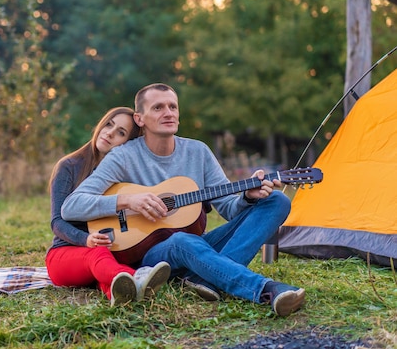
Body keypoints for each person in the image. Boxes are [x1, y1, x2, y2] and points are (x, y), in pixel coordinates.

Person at [61, 83, 305, 316]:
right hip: (153, 258)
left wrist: (247, 198)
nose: (168, 113)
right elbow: (71, 206)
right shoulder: (122, 157)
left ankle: (203, 278)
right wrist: (127, 201)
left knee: (277, 201)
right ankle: (266, 290)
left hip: (196, 248)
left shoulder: (198, 152)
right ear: (140, 119)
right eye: (158, 108)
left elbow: (230, 209)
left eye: (173, 107)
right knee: (182, 240)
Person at [46, 107, 171, 306]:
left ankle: (120, 295)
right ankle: (138, 279)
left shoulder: (124, 175)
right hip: (66, 253)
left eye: (121, 132)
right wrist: (85, 239)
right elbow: (56, 222)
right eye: (108, 124)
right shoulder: (69, 166)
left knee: (107, 270)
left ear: (128, 144)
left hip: (108, 254)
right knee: (98, 254)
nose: (110, 133)